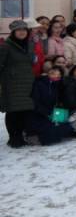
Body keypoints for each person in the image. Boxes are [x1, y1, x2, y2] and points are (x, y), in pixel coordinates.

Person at [27, 66, 76, 146]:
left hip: (53, 113)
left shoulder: (58, 86)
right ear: (48, 73)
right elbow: (35, 102)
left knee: (66, 126)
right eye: (53, 73)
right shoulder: (39, 83)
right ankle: (35, 137)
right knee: (52, 130)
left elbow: (60, 103)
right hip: (39, 115)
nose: (55, 76)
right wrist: (48, 113)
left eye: (58, 75)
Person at [0, 20, 36, 148]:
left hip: (28, 82)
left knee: (25, 111)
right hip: (12, 83)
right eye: (19, 30)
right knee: (13, 112)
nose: (22, 32)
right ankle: (14, 138)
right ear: (13, 32)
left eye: (24, 30)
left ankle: (21, 136)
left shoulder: (30, 44)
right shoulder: (6, 46)